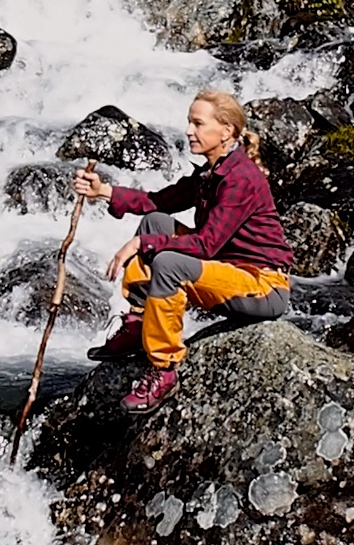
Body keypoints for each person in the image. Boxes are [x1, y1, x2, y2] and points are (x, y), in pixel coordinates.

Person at [73, 89, 294, 415]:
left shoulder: (241, 179)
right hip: (228, 272)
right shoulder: (209, 172)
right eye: (189, 122)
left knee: (167, 261)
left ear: (226, 131)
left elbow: (207, 245)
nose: (189, 130)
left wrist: (140, 245)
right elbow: (158, 202)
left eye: (198, 123)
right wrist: (104, 191)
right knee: (156, 222)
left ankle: (164, 369)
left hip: (262, 286)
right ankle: (138, 323)